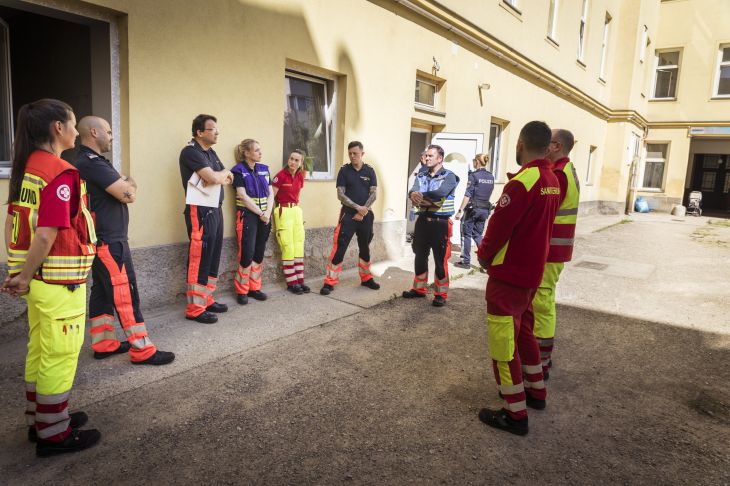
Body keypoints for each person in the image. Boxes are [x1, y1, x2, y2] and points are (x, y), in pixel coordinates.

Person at [2, 99, 100, 456]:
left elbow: (17, 224)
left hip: (40, 284)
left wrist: (20, 276)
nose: (76, 131)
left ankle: (41, 419)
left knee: (40, 350)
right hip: (58, 284)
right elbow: (45, 233)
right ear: (58, 128)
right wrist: (24, 278)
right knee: (60, 355)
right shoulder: (59, 171)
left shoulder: (26, 168)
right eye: (73, 124)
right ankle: (54, 435)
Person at [476, 121, 561, 436]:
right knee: (525, 333)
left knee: (503, 345)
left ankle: (514, 413)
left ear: (522, 145)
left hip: (509, 275)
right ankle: (536, 392)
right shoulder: (552, 178)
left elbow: (499, 229)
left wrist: (483, 256)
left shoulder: (522, 182)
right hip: (531, 274)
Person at [75, 116, 174, 365]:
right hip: (109, 240)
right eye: (108, 132)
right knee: (125, 292)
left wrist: (124, 184)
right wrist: (126, 184)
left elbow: (124, 188)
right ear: (94, 132)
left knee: (102, 292)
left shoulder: (92, 162)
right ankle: (142, 349)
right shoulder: (91, 163)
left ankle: (103, 343)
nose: (111, 136)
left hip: (102, 238)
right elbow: (128, 193)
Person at [533, 129, 580, 379]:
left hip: (550, 250)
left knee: (542, 303)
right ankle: (541, 356)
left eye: (547, 142)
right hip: (555, 249)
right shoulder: (567, 170)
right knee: (544, 301)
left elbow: (545, 214)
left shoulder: (559, 175)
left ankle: (541, 360)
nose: (543, 146)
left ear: (557, 146)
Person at [179, 114, 233, 324]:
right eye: (212, 129)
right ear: (200, 132)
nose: (217, 132)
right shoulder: (191, 152)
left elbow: (227, 175)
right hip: (199, 211)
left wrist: (222, 174)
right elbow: (213, 178)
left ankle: (207, 299)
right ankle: (194, 307)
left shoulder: (210, 153)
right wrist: (220, 176)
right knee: (199, 257)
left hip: (215, 209)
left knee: (212, 255)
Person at [320, 141, 380, 295]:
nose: (352, 156)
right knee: (340, 247)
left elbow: (373, 193)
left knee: (365, 247)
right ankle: (330, 281)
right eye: (350, 153)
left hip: (366, 216)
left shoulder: (370, 171)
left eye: (355, 153)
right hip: (348, 216)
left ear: (362, 154)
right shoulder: (344, 171)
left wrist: (363, 211)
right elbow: (341, 194)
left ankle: (366, 278)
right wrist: (357, 208)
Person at [402, 144, 459, 307]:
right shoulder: (421, 174)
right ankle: (419, 290)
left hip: (440, 224)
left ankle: (440, 294)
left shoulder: (449, 176)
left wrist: (419, 195)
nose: (426, 158)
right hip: (422, 222)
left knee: (440, 260)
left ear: (440, 159)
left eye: (430, 156)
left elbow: (440, 193)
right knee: (420, 257)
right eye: (426, 156)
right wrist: (413, 194)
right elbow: (413, 190)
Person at [231, 139, 273, 305]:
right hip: (248, 216)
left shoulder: (264, 169)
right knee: (247, 253)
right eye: (256, 150)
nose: (260, 153)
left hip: (265, 217)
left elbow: (271, 194)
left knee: (258, 252)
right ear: (247, 153)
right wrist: (261, 213)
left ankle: (254, 288)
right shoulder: (238, 171)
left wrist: (268, 213)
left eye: (260, 150)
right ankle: (242, 290)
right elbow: (242, 196)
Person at [272, 149, 307, 294]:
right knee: (288, 247)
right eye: (291, 158)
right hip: (283, 211)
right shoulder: (280, 176)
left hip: (296, 211)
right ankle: (291, 283)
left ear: (301, 163)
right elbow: (271, 197)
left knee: (299, 245)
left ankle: (300, 280)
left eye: (296, 160)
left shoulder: (300, 176)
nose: (293, 162)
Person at [454, 153, 494, 269]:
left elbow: (467, 194)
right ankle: (485, 262)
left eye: (473, 160)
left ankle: (465, 261)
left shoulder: (474, 176)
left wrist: (460, 210)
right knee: (478, 235)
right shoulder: (491, 176)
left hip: (473, 210)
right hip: (484, 210)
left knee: (466, 234)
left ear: (477, 161)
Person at [406, 150, 428, 242]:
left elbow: (419, 186)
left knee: (422, 222)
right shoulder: (428, 169)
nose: (420, 159)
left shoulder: (423, 169)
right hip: (426, 201)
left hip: (423, 201)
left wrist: (414, 202)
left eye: (421, 158)